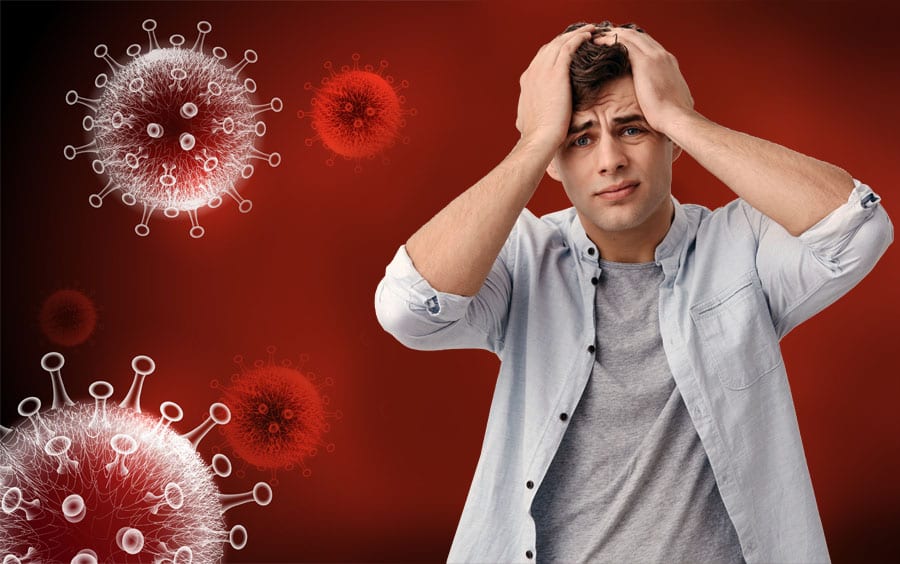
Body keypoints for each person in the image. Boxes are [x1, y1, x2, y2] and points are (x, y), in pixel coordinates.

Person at [374, 21, 892, 564]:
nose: (609, 161)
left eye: (632, 128)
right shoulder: (524, 257)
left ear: (672, 142)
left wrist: (677, 115)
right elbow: (408, 310)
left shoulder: (743, 245)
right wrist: (534, 142)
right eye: (579, 138)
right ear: (554, 158)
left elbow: (859, 231)